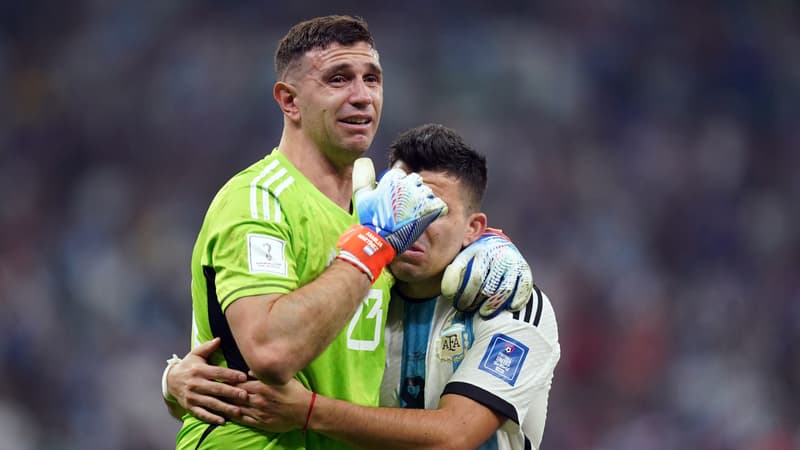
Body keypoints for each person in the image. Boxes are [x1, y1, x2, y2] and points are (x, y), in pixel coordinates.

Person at [169, 124, 560, 450]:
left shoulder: (510, 304)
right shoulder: (362, 291)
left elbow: (455, 435)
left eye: (433, 208)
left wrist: (309, 411)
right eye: (402, 202)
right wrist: (173, 383)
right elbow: (274, 343)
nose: (414, 222)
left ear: (473, 228)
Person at [168, 15, 451, 450]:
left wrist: (492, 249)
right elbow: (271, 352)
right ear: (290, 101)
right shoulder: (257, 200)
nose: (362, 96)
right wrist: (370, 248)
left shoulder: (378, 212)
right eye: (338, 79)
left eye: (372, 79)